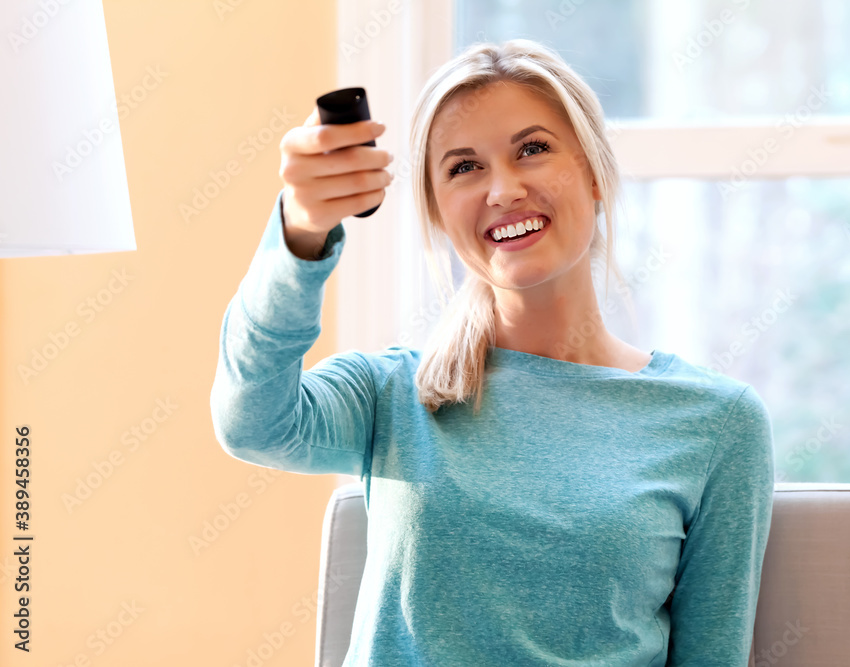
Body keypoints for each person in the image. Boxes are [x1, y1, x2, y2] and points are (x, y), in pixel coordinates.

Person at [211, 38, 775, 667]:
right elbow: (251, 422)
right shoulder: (392, 392)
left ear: (592, 173)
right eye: (463, 167)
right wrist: (300, 229)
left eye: (532, 150)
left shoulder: (717, 424)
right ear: (438, 211)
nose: (503, 190)